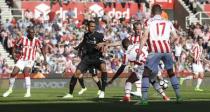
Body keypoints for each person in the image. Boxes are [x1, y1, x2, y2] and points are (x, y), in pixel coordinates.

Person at [136, 4, 181, 105]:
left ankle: (144, 99)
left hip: (154, 50)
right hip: (167, 50)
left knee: (146, 73)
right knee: (171, 72)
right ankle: (179, 96)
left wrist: (139, 51)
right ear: (161, 12)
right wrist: (168, 43)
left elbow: (144, 37)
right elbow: (175, 37)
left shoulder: (148, 22)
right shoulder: (168, 22)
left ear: (152, 12)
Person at [63, 21, 108, 99]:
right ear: (88, 27)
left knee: (103, 67)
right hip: (87, 58)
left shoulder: (99, 35)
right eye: (91, 26)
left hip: (97, 57)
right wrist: (77, 47)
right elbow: (83, 42)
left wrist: (102, 44)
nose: (93, 28)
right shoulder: (86, 35)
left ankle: (102, 91)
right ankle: (70, 94)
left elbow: (105, 42)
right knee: (76, 73)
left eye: (94, 26)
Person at [2, 26, 46, 97]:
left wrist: (45, 59)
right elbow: (14, 47)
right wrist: (13, 56)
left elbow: (42, 49)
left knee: (26, 72)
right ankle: (10, 90)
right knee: (14, 72)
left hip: (30, 60)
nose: (33, 34)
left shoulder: (36, 40)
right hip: (22, 59)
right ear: (28, 33)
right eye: (31, 33)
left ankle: (28, 92)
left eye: (33, 33)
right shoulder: (22, 39)